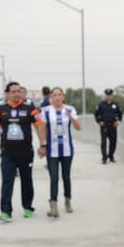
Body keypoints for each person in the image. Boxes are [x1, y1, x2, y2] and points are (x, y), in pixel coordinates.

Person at [0, 82, 41, 222]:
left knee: (27, 180)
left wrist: (43, 145)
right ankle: (6, 211)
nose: (16, 94)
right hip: (7, 152)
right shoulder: (0, 108)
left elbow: (39, 126)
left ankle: (28, 207)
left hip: (25, 152)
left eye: (18, 91)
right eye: (13, 91)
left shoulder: (29, 107)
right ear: (7, 93)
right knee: (7, 181)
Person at [38, 87, 79, 218]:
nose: (57, 97)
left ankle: (67, 200)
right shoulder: (46, 111)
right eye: (54, 95)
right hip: (52, 150)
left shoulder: (70, 109)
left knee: (66, 177)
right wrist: (42, 145)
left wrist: (70, 117)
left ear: (63, 97)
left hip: (67, 149)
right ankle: (53, 205)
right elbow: (42, 128)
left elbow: (78, 127)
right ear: (51, 98)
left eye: (59, 95)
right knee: (54, 177)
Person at [94, 88, 123, 164]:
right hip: (104, 127)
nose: (109, 96)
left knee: (113, 143)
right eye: (107, 95)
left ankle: (111, 156)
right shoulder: (101, 104)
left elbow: (120, 114)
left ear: (112, 96)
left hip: (113, 126)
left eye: (110, 95)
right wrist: (99, 122)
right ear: (105, 95)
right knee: (103, 143)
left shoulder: (115, 105)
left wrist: (118, 121)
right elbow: (96, 114)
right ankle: (104, 158)